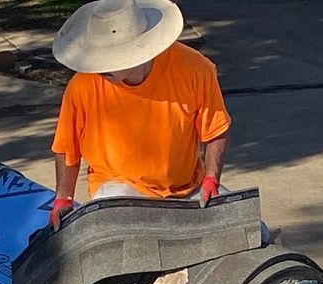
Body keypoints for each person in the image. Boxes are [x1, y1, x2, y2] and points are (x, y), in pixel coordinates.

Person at [47, 0, 231, 225]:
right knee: (122, 234)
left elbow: (216, 131)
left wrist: (211, 179)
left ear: (136, 51)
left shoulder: (194, 69)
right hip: (120, 188)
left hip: (187, 189)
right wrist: (63, 199)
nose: (99, 68)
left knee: (251, 230)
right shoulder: (82, 87)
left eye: (108, 59)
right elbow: (67, 148)